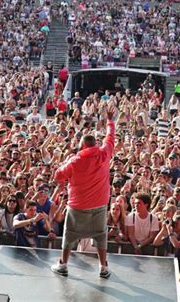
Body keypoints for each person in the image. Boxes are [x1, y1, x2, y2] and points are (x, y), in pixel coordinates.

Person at [51, 106, 116, 278]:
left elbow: (58, 176)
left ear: (82, 145)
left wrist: (64, 161)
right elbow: (110, 138)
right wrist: (110, 120)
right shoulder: (104, 154)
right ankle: (103, 267)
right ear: (95, 144)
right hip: (99, 205)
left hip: (78, 207)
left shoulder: (74, 161)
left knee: (69, 234)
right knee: (101, 235)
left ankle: (63, 264)